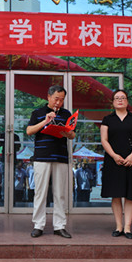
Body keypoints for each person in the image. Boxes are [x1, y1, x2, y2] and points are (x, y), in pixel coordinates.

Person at [26, 85, 75, 239]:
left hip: (61, 157)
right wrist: (45, 122)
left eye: (61, 100)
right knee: (40, 192)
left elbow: (73, 135)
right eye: (56, 99)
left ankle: (59, 226)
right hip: (42, 157)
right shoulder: (38, 112)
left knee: (60, 193)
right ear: (48, 97)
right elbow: (29, 131)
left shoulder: (66, 114)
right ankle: (38, 225)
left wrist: (66, 132)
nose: (58, 102)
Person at [100, 89, 132, 240]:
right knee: (116, 194)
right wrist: (114, 155)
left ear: (127, 101)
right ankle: (118, 226)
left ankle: (127, 227)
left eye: (123, 98)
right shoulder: (107, 119)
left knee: (130, 195)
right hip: (113, 160)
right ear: (112, 102)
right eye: (117, 98)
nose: (120, 100)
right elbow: (104, 140)